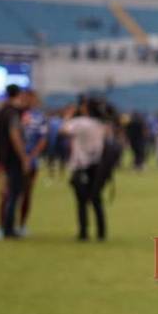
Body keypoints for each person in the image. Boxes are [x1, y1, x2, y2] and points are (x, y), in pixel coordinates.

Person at [61, 98, 107, 241]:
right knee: (96, 199)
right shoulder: (100, 124)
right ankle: (101, 232)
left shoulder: (80, 123)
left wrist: (68, 116)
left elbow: (63, 130)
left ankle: (83, 232)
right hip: (97, 164)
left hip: (81, 165)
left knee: (81, 201)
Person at [0, 84, 30, 238]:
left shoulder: (0, 112)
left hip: (2, 155)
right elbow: (14, 135)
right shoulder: (13, 113)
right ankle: (9, 228)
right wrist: (23, 157)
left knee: (8, 192)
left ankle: (5, 226)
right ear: (19, 94)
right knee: (14, 193)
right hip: (13, 157)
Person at [18, 90, 48, 236]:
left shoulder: (39, 117)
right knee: (9, 194)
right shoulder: (14, 115)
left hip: (31, 160)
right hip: (13, 160)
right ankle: (6, 225)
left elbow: (43, 139)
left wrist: (31, 157)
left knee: (27, 193)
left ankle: (22, 224)